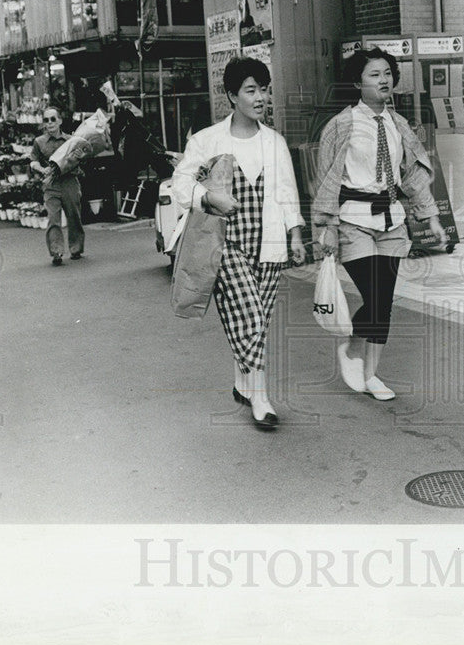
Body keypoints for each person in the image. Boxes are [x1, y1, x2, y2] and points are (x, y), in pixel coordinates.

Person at [170, 57, 305, 430]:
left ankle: (241, 382)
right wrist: (209, 199)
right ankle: (261, 398)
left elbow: (286, 190)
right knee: (252, 317)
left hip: (270, 244)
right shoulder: (207, 140)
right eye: (251, 90)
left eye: (264, 89)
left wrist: (295, 233)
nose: (260, 97)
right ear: (232, 95)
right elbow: (180, 184)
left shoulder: (274, 141)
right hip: (224, 243)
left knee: (258, 318)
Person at [312, 47, 447, 401]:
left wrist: (431, 216)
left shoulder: (399, 124)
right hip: (354, 220)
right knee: (373, 293)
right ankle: (352, 346)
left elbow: (414, 175)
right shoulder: (340, 125)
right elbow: (327, 178)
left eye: (387, 73)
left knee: (383, 301)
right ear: (358, 82)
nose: (384, 80)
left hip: (392, 220)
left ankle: (370, 373)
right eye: (374, 74)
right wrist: (325, 226)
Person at [29, 106, 85, 266]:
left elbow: (81, 159)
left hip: (69, 182)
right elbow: (33, 161)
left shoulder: (71, 140)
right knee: (53, 218)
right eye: (46, 120)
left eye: (53, 119)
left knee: (74, 216)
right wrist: (41, 169)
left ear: (60, 121)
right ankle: (56, 252)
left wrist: (80, 158)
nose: (50, 123)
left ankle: (76, 248)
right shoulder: (39, 142)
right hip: (51, 184)